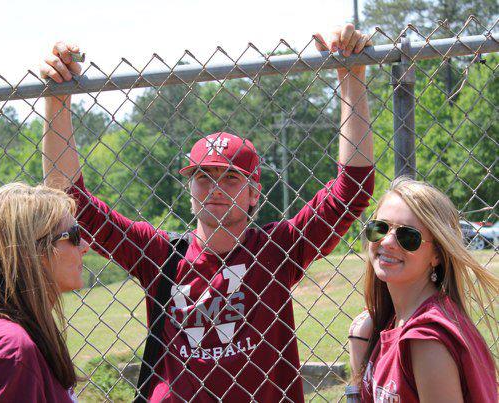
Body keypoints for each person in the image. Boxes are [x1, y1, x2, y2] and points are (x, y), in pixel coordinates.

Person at [41, 24, 374, 402]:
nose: (215, 188)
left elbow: (353, 191)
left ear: (253, 194)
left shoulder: (277, 249)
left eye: (231, 177)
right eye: (203, 176)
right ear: (189, 190)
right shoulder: (161, 254)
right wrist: (58, 103)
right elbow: (72, 203)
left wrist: (351, 80)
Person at [348, 178, 498, 402]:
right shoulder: (394, 322)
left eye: (408, 237)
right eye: (380, 228)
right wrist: (361, 346)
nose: (388, 241)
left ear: (437, 254)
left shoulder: (425, 339)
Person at [0, 183, 89, 402]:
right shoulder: (12, 349)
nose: (85, 245)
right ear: (32, 252)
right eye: (74, 236)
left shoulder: (11, 336)